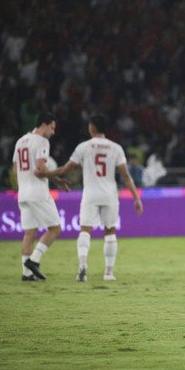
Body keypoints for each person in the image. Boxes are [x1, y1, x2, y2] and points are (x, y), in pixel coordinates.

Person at [38, 114, 143, 281]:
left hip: (91, 194)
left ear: (92, 128)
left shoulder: (83, 147)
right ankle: (108, 273)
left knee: (85, 230)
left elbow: (66, 169)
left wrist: (48, 174)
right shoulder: (116, 148)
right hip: (109, 194)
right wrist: (136, 198)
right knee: (110, 232)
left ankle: (83, 267)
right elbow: (125, 176)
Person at [13, 112, 69, 281]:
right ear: (43, 125)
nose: (53, 132)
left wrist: (22, 185)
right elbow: (40, 169)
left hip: (23, 193)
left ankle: (26, 274)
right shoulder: (42, 141)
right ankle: (34, 261)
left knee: (29, 233)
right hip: (38, 192)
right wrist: (58, 179)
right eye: (52, 128)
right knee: (55, 228)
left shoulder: (20, 141)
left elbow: (15, 170)